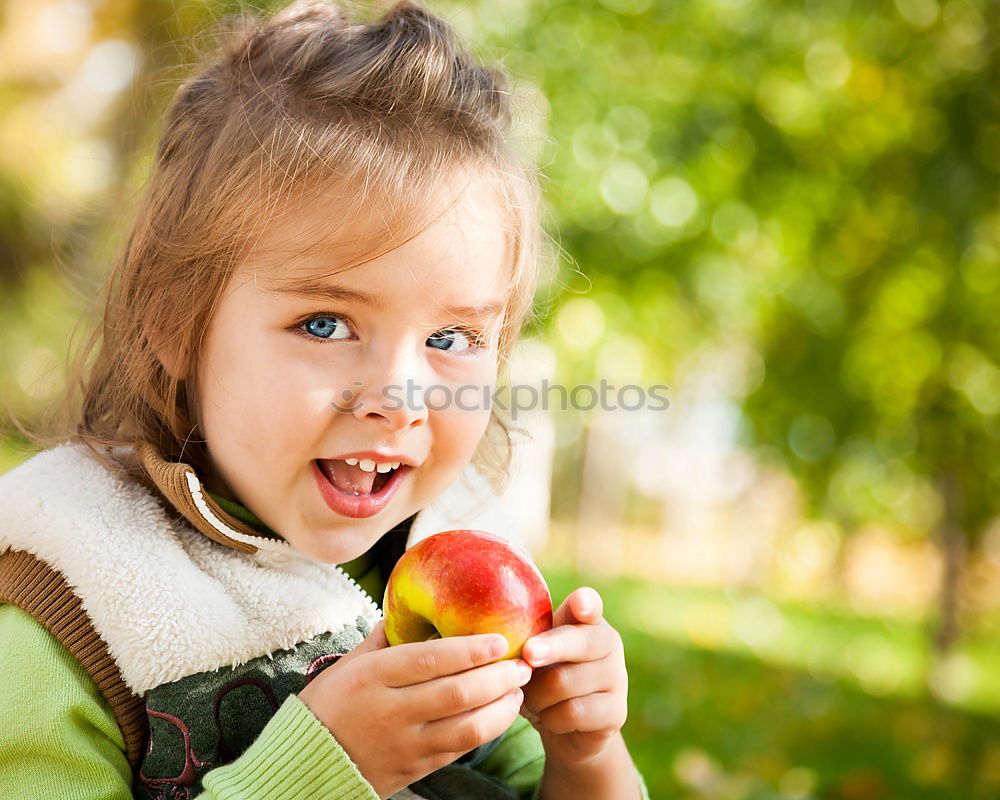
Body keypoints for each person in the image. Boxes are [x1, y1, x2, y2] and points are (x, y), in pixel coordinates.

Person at [0, 1, 648, 798]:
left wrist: (585, 753)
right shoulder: (70, 603)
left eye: (450, 340)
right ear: (177, 322)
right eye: (325, 322)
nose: (400, 397)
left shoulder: (443, 553)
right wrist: (323, 772)